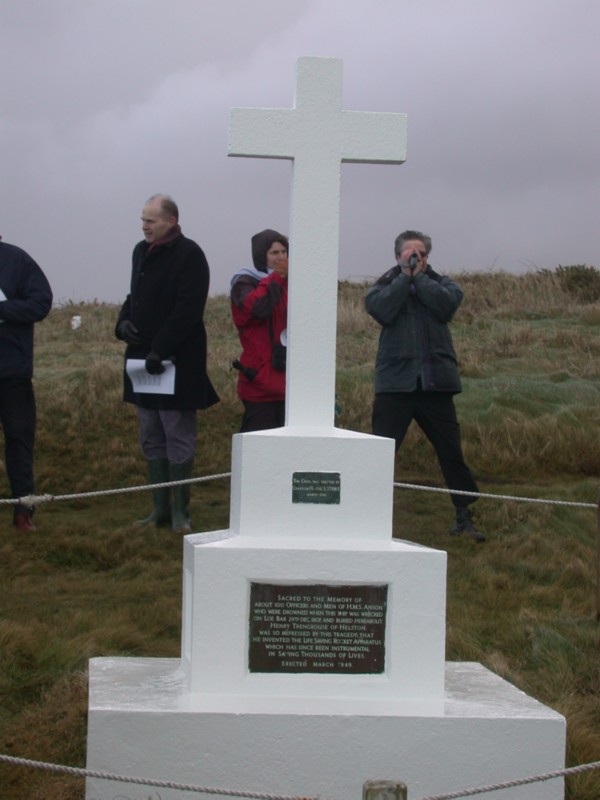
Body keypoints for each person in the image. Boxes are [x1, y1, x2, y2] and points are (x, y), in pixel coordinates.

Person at [365, 230, 484, 542]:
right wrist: (405, 278)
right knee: (380, 454)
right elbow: (381, 310)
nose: (416, 258)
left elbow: (447, 306)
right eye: (409, 253)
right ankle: (366, 518)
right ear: (398, 256)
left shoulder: (443, 284)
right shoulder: (384, 286)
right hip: (395, 386)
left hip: (436, 386)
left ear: (428, 257)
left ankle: (465, 516)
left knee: (451, 453)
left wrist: (420, 279)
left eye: (421, 253)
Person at [116, 194, 219, 533]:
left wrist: (160, 349)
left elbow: (188, 310)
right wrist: (122, 323)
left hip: (176, 361)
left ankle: (180, 513)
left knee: (177, 434)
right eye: (143, 219)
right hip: (143, 361)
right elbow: (135, 295)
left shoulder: (191, 255)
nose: (144, 225)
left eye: (151, 220)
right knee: (151, 433)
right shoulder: (139, 251)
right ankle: (159, 510)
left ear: (171, 221)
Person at [0, 236, 53, 532]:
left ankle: (23, 512)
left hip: (12, 372)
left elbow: (41, 303)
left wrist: (3, 310)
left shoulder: (17, 260)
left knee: (19, 441)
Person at [230, 229, 288, 432]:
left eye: (284, 252)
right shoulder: (243, 283)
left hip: (289, 386)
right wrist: (277, 278)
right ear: (261, 256)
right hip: (260, 384)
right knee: (259, 454)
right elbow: (257, 308)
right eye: (274, 253)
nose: (281, 257)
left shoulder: (291, 283)